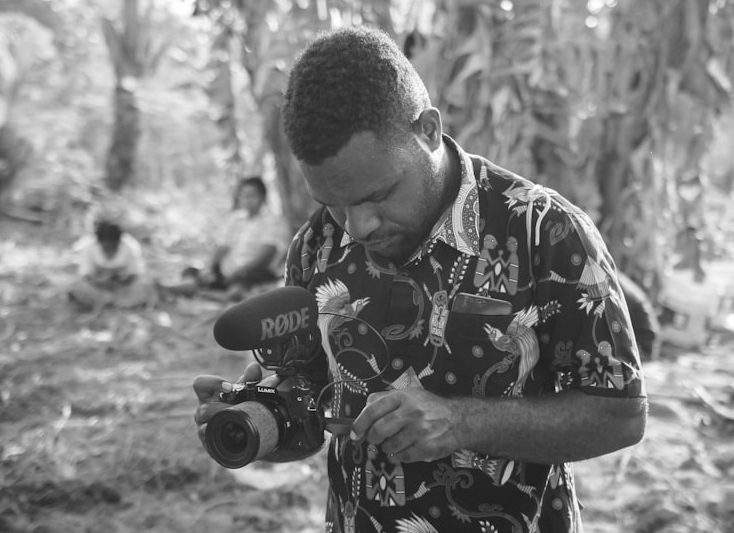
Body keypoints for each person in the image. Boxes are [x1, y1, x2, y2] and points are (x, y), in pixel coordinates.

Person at [193, 26, 646, 532]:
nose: (357, 227)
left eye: (378, 196)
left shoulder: (543, 229)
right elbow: (316, 417)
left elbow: (621, 416)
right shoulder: (316, 245)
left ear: (428, 130)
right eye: (333, 204)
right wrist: (260, 422)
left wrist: (461, 423)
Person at [160, 176, 288, 300]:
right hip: (227, 271)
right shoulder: (235, 219)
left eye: (252, 195)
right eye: (243, 195)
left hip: (251, 271)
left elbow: (264, 255)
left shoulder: (272, 221)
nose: (247, 200)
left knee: (245, 282)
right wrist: (210, 267)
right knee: (192, 271)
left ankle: (219, 294)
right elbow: (223, 247)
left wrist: (238, 271)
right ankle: (188, 288)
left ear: (262, 197)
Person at [68, 218, 153, 309]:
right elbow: (86, 275)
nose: (109, 250)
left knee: (144, 287)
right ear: (99, 243)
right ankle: (112, 303)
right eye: (106, 247)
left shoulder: (130, 246)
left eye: (113, 246)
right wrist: (101, 282)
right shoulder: (89, 247)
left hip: (123, 288)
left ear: (119, 242)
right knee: (78, 287)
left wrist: (122, 281)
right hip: (98, 287)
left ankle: (113, 303)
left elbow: (136, 273)